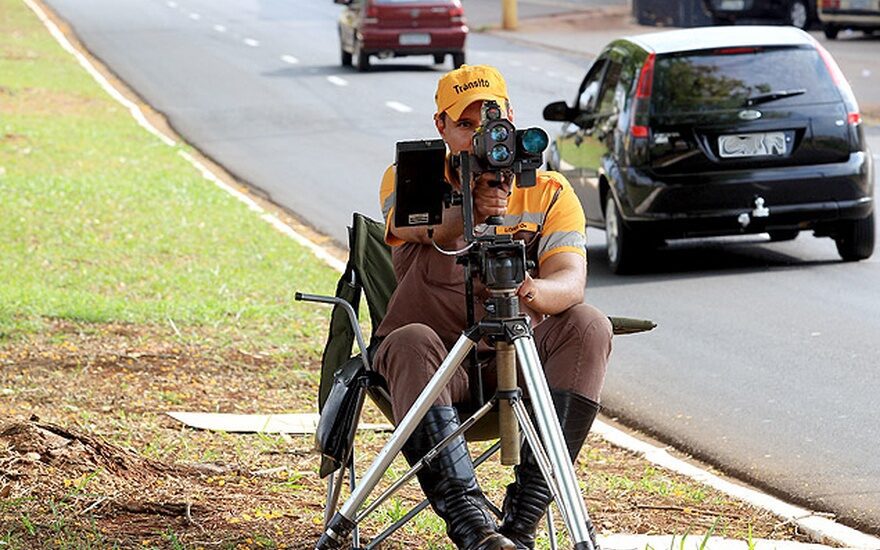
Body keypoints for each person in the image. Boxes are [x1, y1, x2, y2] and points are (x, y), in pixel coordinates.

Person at [373, 64, 613, 550]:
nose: (480, 136)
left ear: (512, 121)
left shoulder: (548, 191)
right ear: (441, 126)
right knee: (410, 341)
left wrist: (526, 289)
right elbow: (431, 232)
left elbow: (570, 282)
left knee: (588, 325)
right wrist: (473, 208)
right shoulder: (410, 175)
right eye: (466, 125)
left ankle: (521, 525)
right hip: (436, 364)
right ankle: (473, 529)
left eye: (491, 122)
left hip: (514, 358)